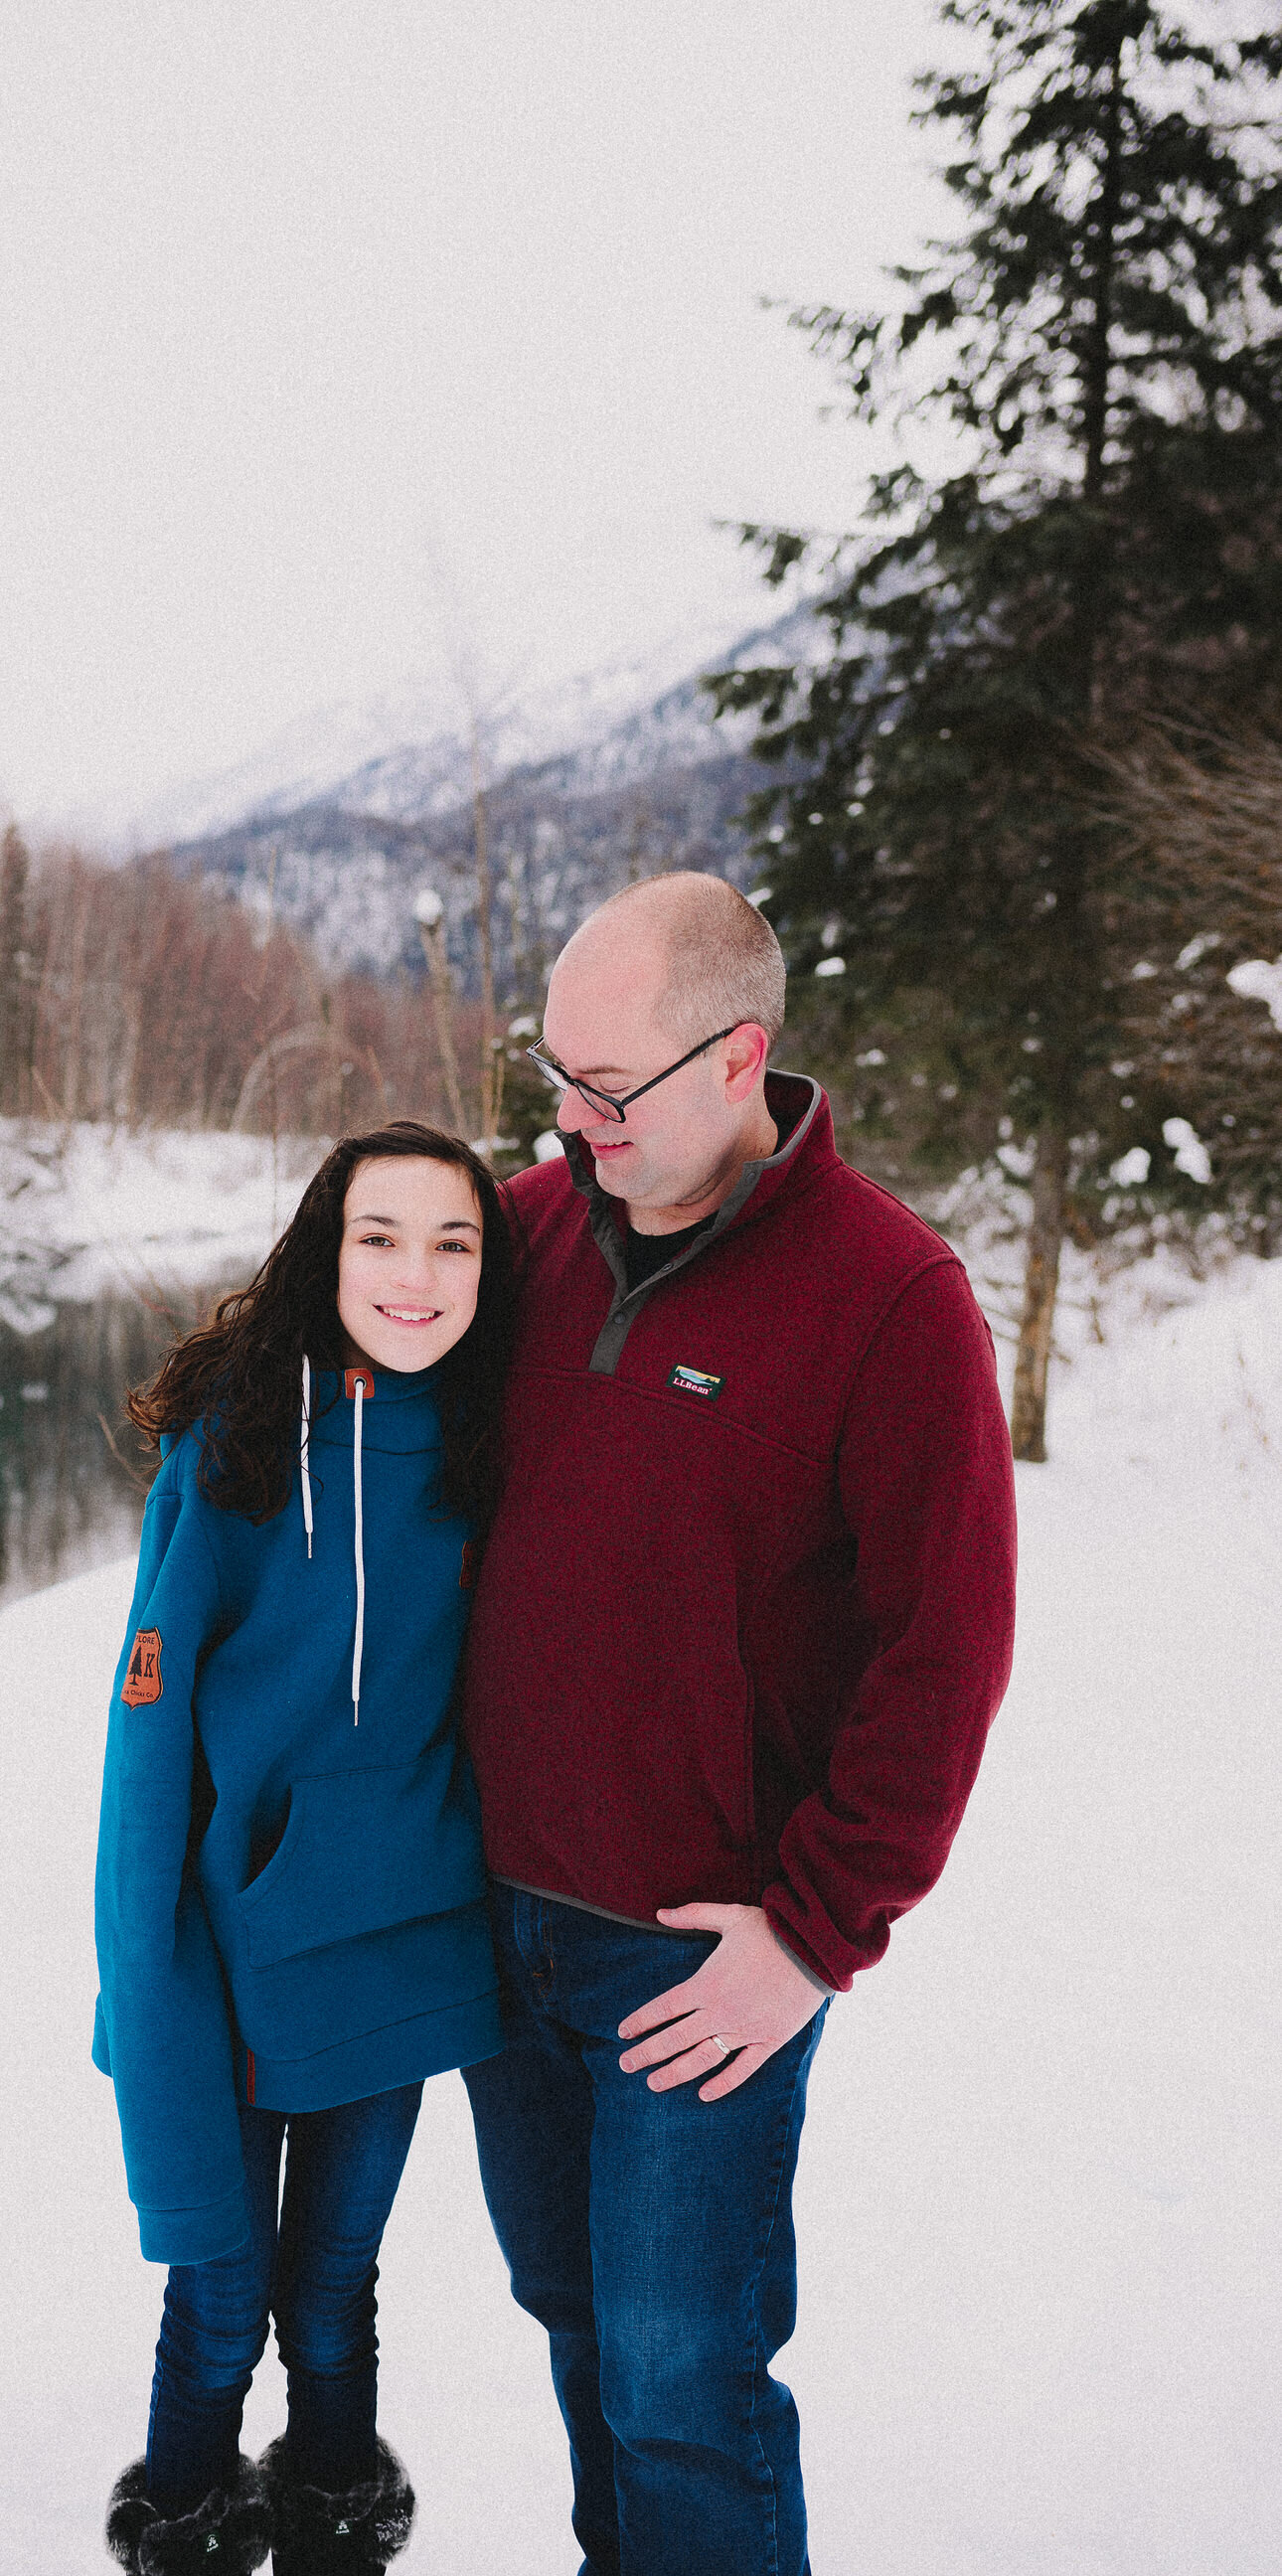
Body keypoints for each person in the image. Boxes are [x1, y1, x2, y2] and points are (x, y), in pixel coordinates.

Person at [460, 874, 1019, 2576]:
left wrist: (816, 1933)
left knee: (681, 2381)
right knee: (568, 2320)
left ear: (738, 1060)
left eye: (605, 1089)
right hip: (498, 1922)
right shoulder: (527, 1234)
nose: (569, 1121)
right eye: (550, 1074)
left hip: (698, 1963)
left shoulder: (889, 1298)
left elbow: (947, 1649)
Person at [91, 1120, 516, 2576]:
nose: (415, 1274)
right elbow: (144, 1753)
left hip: (395, 1951)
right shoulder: (234, 1450)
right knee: (218, 2294)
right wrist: (143, 1975)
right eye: (378, 1237)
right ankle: (190, 2530)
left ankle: (339, 2530)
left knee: (331, 2295)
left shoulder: (489, 1443)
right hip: (220, 1962)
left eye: (451, 1243)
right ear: (321, 1253)